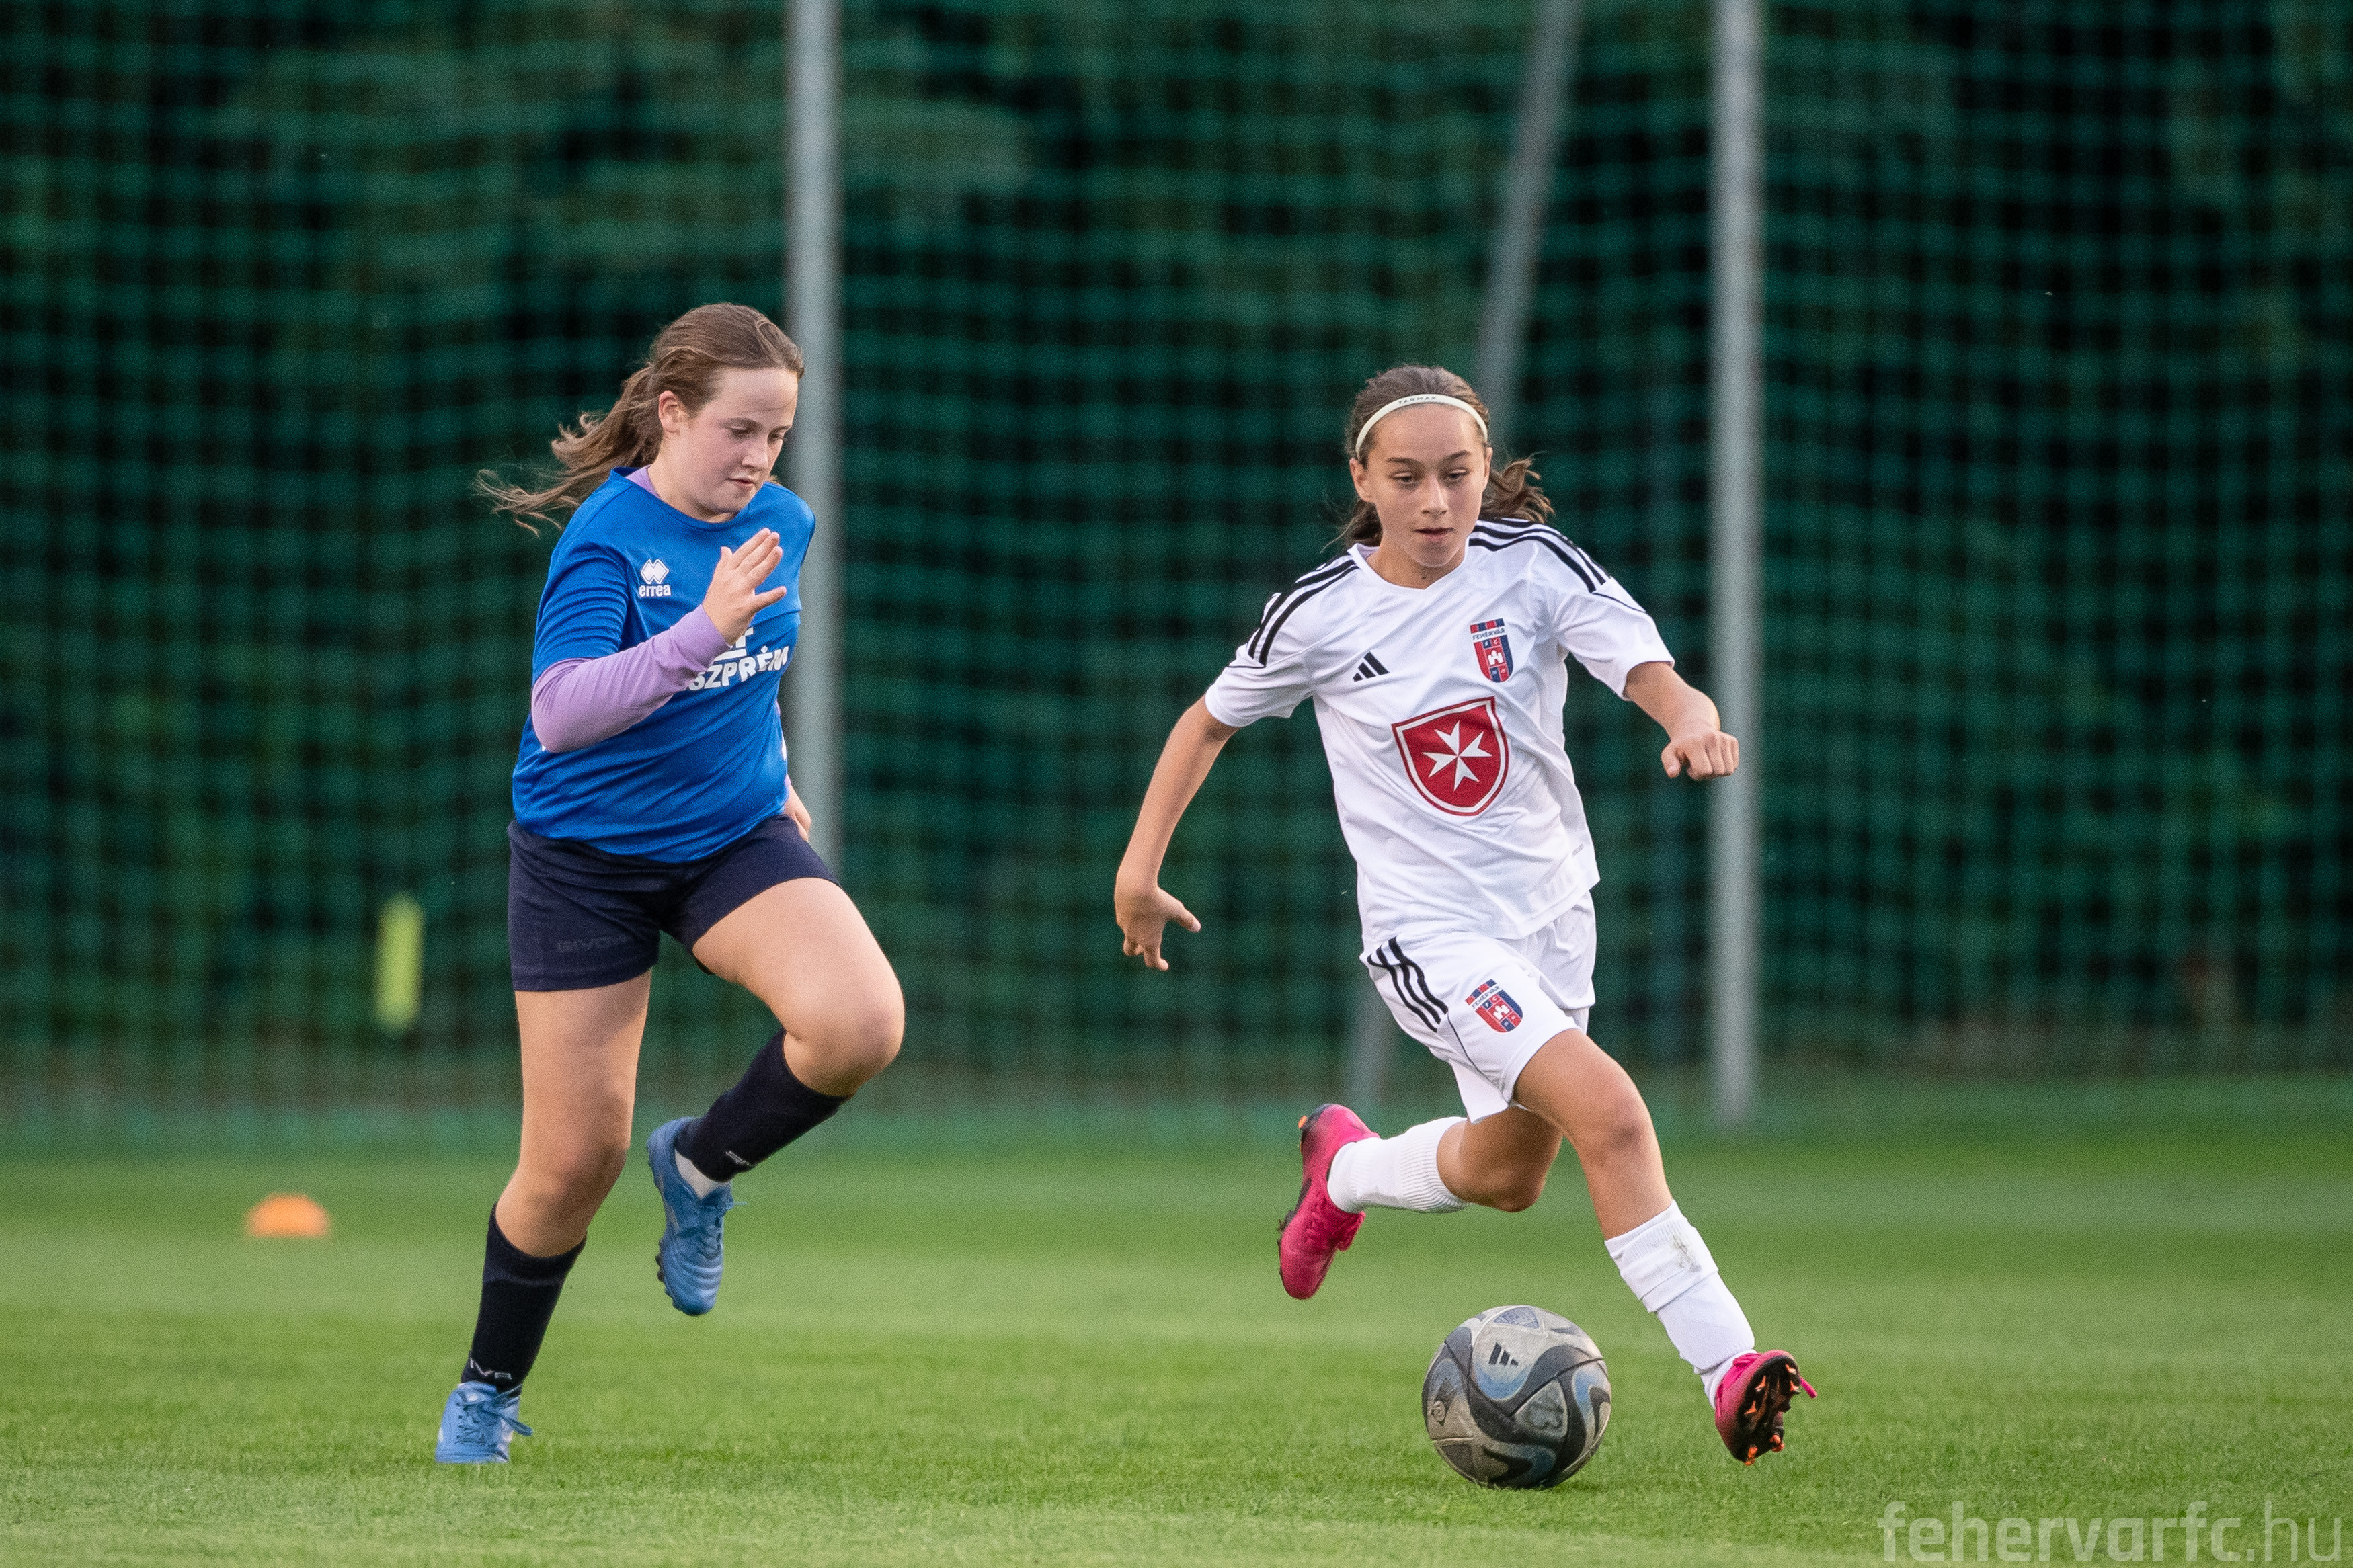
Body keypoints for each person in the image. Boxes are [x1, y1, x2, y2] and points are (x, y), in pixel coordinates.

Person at [1113, 364, 1814, 1465]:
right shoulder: (1322, 612)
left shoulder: (1533, 566)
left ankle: (1343, 1170)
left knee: (1509, 1174)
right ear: (1363, 479)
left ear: (1488, 470)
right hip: (1428, 934)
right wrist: (1138, 870)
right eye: (1407, 478)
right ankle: (1729, 1364)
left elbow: (1646, 665)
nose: (1435, 501)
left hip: (1553, 914)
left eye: (1456, 474)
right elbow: (1207, 721)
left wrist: (1688, 718)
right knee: (1614, 1116)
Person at [432, 304, 903, 1463]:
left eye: (778, 435)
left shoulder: (781, 521)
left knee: (859, 1021)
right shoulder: (606, 539)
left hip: (730, 833)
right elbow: (562, 711)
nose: (759, 458)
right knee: (571, 1164)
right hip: (584, 861)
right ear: (672, 412)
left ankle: (698, 1165)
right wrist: (701, 627)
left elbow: (757, 666)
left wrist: (775, 764)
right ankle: (486, 1393)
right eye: (739, 430)